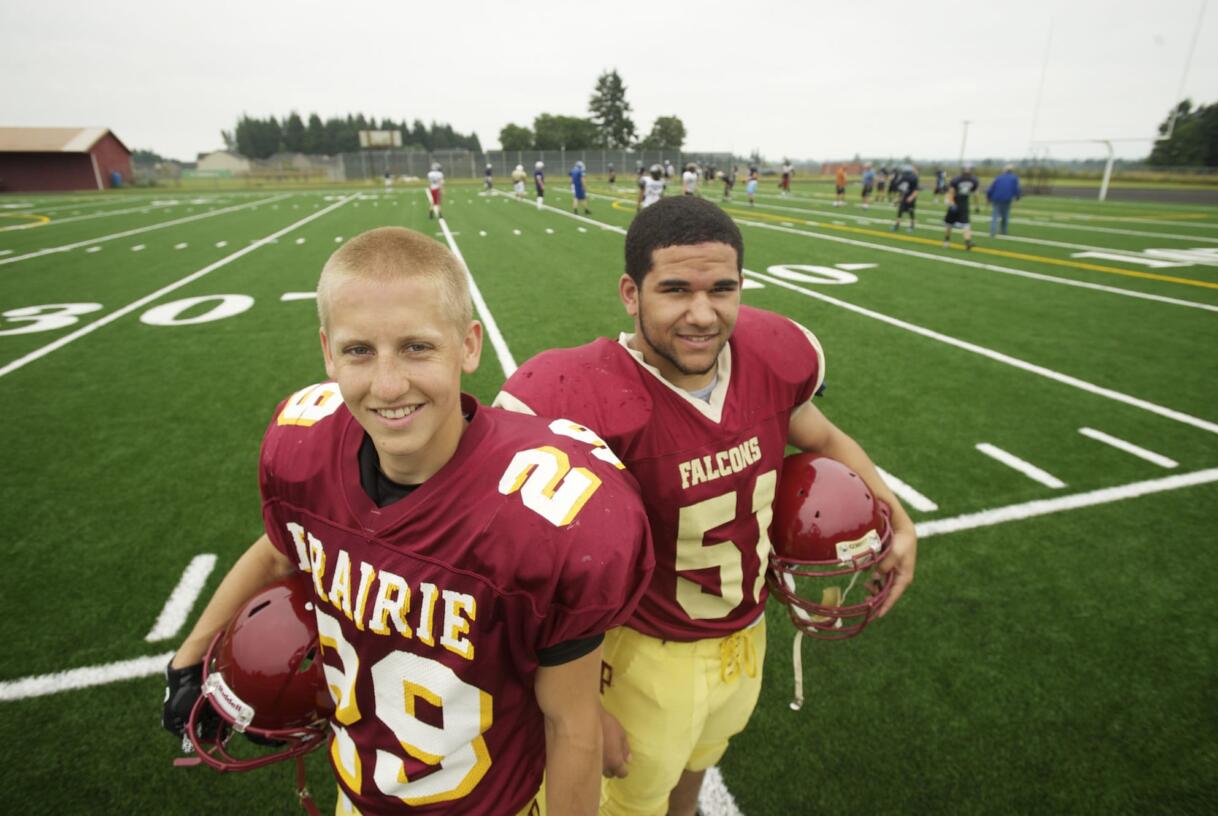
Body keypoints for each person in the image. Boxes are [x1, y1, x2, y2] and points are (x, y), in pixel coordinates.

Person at [162, 227, 654, 816]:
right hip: (358, 796)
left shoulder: (546, 512)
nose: (388, 384)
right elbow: (276, 552)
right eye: (358, 351)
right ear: (327, 353)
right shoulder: (304, 452)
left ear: (468, 346)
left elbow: (571, 723)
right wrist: (187, 659)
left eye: (417, 347)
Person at [493, 196, 918, 816]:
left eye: (722, 288)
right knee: (628, 801)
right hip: (643, 652)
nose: (702, 314)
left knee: (699, 763)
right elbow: (511, 562)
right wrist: (580, 707)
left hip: (746, 633)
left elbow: (822, 437)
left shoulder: (770, 358)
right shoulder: (578, 394)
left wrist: (898, 520)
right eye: (675, 290)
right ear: (631, 294)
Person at [944, 164, 979, 250]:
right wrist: (951, 202)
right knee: (951, 224)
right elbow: (951, 192)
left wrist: (950, 202)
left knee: (964, 224)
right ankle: (947, 241)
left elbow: (976, 193)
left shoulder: (959, 179)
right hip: (959, 203)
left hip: (962, 203)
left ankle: (967, 242)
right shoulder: (972, 180)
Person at [986, 163, 1022, 237]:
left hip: (996, 198)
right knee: (1005, 215)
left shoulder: (998, 177)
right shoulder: (1014, 178)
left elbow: (991, 188)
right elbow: (1016, 189)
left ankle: (992, 232)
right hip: (1007, 199)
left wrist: (988, 198)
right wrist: (1017, 198)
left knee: (995, 215)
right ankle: (1004, 231)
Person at [891, 163, 921, 232]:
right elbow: (901, 187)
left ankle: (911, 226)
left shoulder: (914, 178)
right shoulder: (904, 177)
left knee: (911, 212)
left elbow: (916, 190)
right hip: (905, 195)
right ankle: (896, 226)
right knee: (900, 211)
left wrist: (912, 197)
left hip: (911, 196)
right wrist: (899, 197)